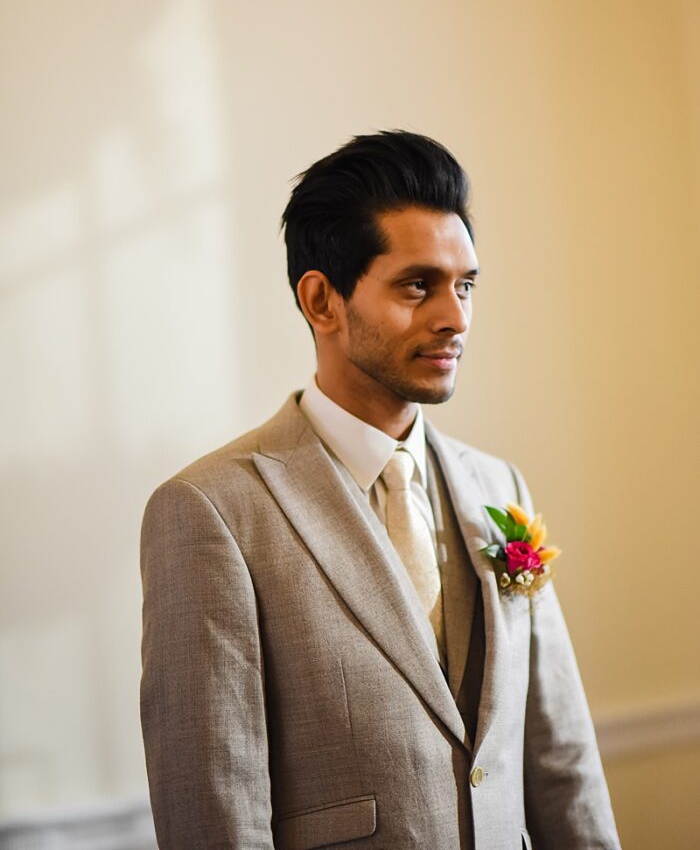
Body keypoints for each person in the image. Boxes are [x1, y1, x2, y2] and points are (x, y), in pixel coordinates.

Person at [140, 130, 620, 850]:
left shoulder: (498, 486)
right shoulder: (210, 512)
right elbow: (215, 805)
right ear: (322, 300)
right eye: (418, 285)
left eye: (465, 285)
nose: (455, 317)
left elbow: (562, 760)